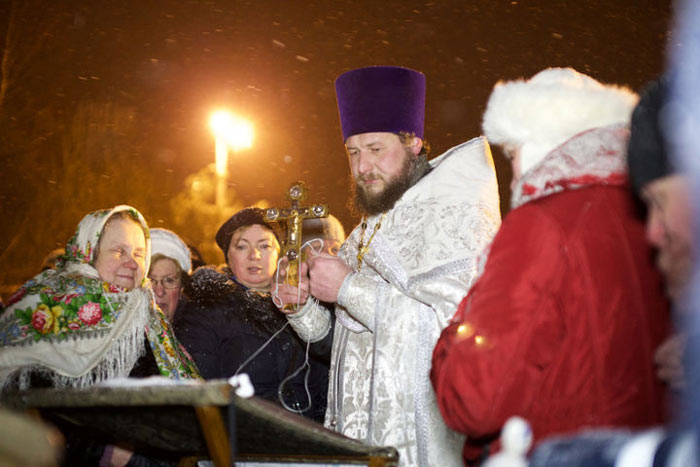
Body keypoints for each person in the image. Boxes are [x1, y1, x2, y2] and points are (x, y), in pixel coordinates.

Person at [430, 68, 671, 464]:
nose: (511, 173)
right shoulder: (651, 214)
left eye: (513, 153)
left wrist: (453, 333)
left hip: (558, 450)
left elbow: (473, 400)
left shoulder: (540, 225)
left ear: (539, 143)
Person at [275, 66, 501, 467]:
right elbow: (345, 340)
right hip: (360, 442)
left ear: (413, 143)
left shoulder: (455, 215)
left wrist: (348, 289)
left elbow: (458, 335)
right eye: (353, 152)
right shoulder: (369, 227)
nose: (362, 167)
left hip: (421, 444)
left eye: (375, 149)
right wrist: (302, 307)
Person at [0, 205, 200, 465]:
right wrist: (106, 450)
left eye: (139, 253)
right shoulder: (49, 306)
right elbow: (34, 404)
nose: (131, 262)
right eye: (119, 251)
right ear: (89, 253)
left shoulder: (147, 314)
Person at [174, 207, 330, 422]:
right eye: (242, 246)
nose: (254, 255)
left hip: (308, 438)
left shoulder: (309, 307)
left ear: (280, 253)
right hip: (242, 436)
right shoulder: (205, 309)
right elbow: (197, 385)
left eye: (265, 246)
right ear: (228, 255)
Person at [149, 228, 192, 324]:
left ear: (181, 289)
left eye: (169, 280)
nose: (159, 292)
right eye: (150, 280)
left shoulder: (199, 334)